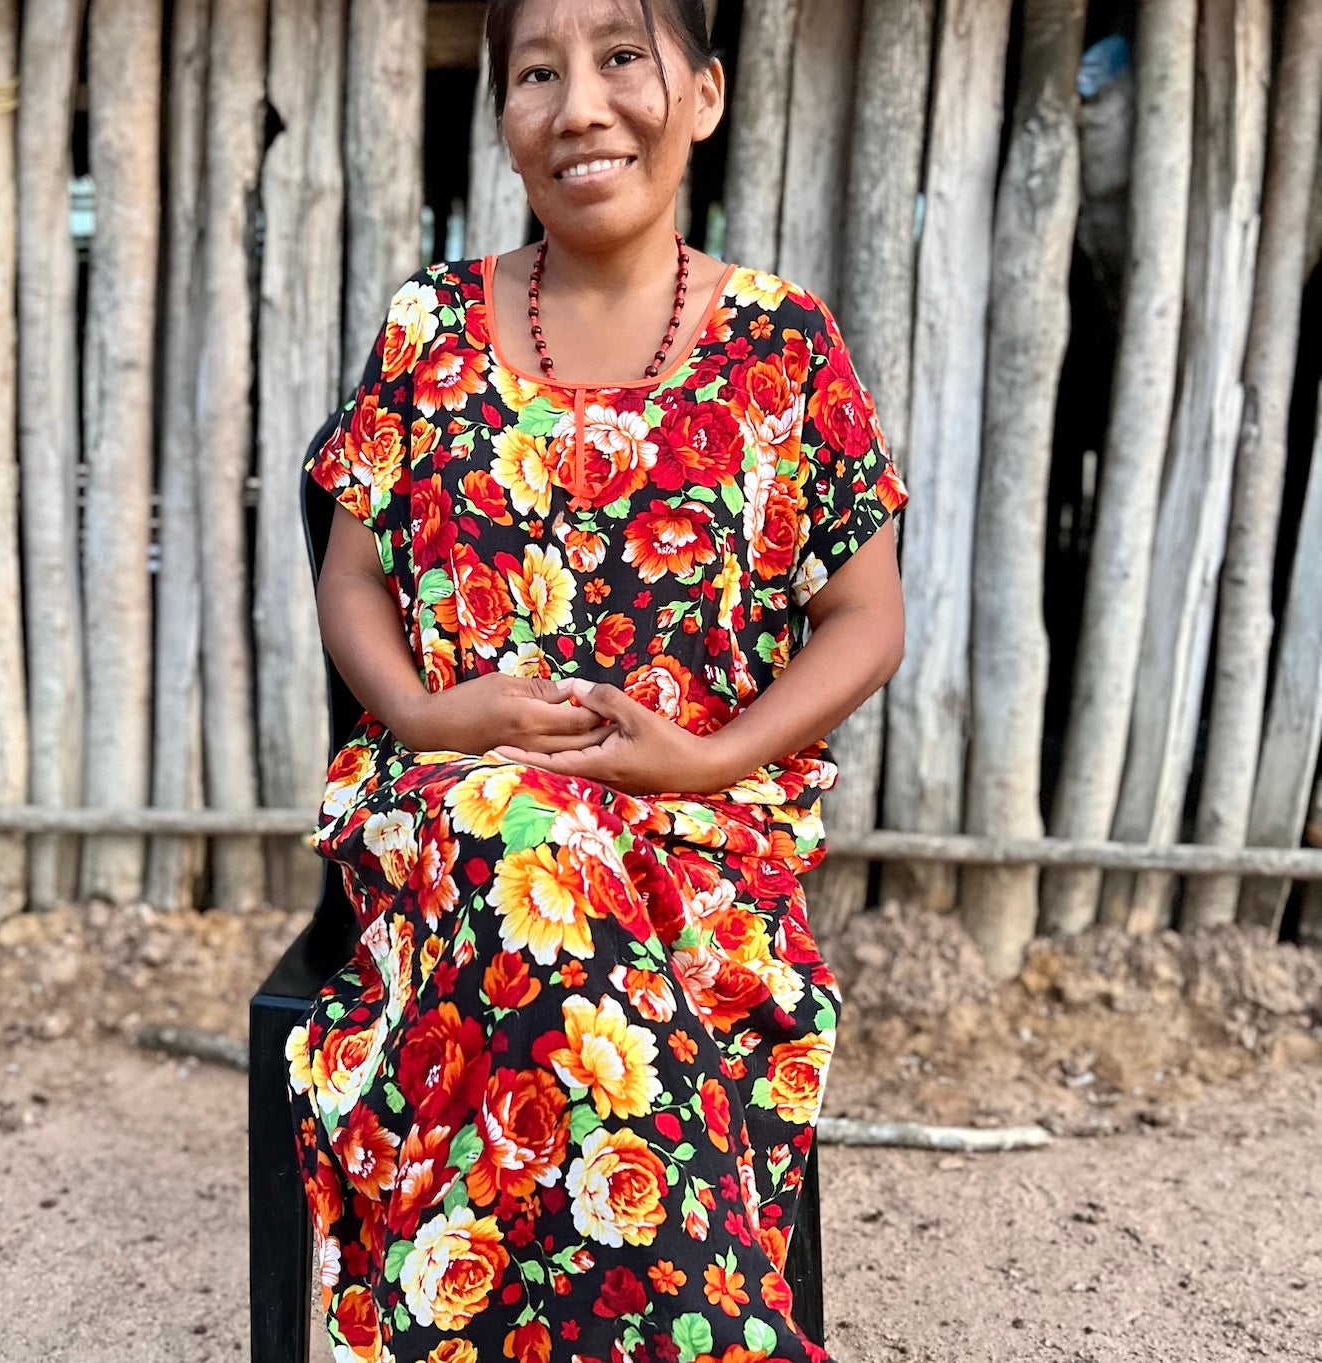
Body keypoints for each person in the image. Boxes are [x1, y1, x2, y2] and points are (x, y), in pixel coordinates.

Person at [285, 2, 907, 1359]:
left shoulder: (785, 344)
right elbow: (353, 576)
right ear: (504, 118)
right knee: (526, 840)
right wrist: (425, 715)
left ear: (706, 93)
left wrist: (708, 758)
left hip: (699, 823)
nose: (579, 105)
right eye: (536, 72)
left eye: (623, 56)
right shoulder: (431, 327)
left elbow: (866, 618)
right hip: (455, 811)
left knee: (561, 903)